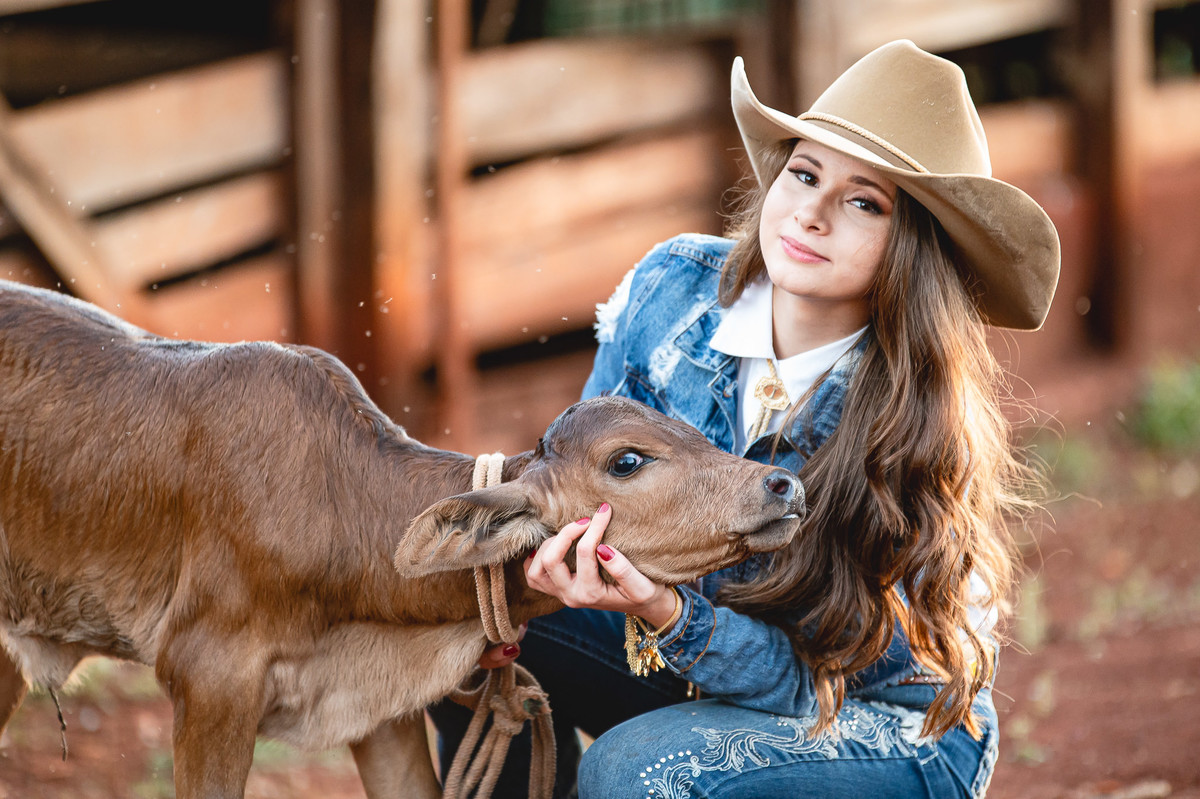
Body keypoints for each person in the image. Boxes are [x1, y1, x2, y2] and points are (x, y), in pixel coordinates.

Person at [429, 39, 1059, 798]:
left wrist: (662, 608)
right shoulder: (673, 293)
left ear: (913, 249)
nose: (812, 213)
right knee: (466, 619)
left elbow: (813, 684)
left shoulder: (912, 418)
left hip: (883, 724)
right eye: (804, 172)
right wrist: (561, 563)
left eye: (865, 202)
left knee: (634, 770)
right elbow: (585, 467)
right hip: (695, 661)